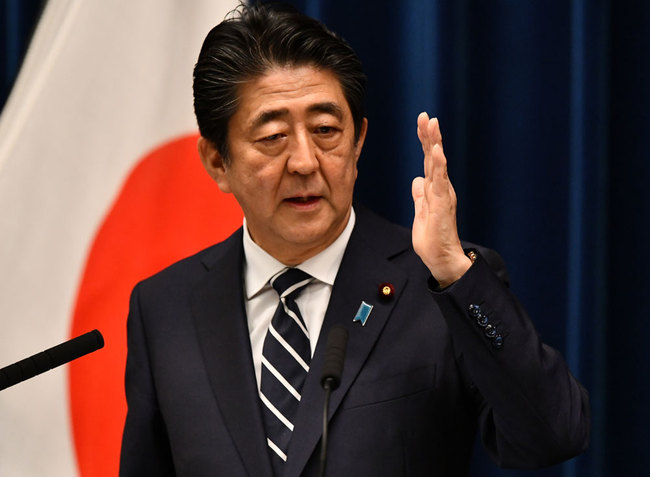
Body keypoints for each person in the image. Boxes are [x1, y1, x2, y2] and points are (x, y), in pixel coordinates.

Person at [119, 3, 589, 476]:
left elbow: (553, 435)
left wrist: (453, 270)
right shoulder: (165, 309)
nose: (305, 162)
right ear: (218, 161)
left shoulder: (442, 289)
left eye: (326, 131)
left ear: (358, 140)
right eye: (273, 136)